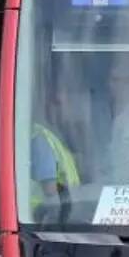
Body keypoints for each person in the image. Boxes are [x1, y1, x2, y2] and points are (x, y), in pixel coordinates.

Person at [31, 84, 81, 214]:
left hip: (60, 213)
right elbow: (50, 189)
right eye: (58, 103)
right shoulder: (41, 139)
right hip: (45, 216)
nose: (66, 108)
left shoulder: (54, 137)